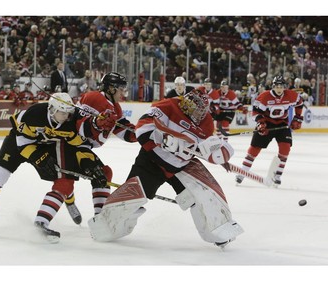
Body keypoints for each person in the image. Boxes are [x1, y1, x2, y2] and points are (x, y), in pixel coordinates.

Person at [87, 88, 244, 248]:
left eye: (197, 110)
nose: (192, 111)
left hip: (181, 166)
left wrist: (217, 151)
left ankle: (217, 231)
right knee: (131, 201)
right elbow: (142, 127)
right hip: (152, 161)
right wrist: (163, 137)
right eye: (189, 105)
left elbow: (206, 148)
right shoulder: (168, 105)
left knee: (202, 194)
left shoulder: (206, 122)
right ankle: (105, 228)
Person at [0, 93, 110, 242]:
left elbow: (79, 144)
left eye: (68, 113)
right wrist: (38, 158)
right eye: (62, 112)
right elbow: (22, 142)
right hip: (17, 144)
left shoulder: (70, 121)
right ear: (52, 110)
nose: (66, 116)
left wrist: (88, 162)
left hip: (45, 146)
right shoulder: (33, 115)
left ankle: (70, 202)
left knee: (60, 177)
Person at [74, 72, 137, 215]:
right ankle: (99, 216)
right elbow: (79, 128)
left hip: (84, 147)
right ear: (111, 88)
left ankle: (99, 216)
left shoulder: (116, 108)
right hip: (73, 144)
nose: (123, 93)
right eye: (121, 89)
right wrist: (97, 123)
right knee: (102, 174)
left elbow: (124, 132)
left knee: (104, 174)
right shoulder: (92, 98)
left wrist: (141, 133)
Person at [235, 75, 304, 186]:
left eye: (281, 86)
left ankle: (277, 175)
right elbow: (255, 112)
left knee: (285, 149)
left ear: (284, 87)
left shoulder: (291, 95)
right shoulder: (265, 96)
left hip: (282, 125)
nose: (279, 89)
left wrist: (298, 118)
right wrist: (261, 123)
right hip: (267, 124)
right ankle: (243, 171)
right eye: (277, 86)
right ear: (273, 86)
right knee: (254, 148)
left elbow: (300, 103)